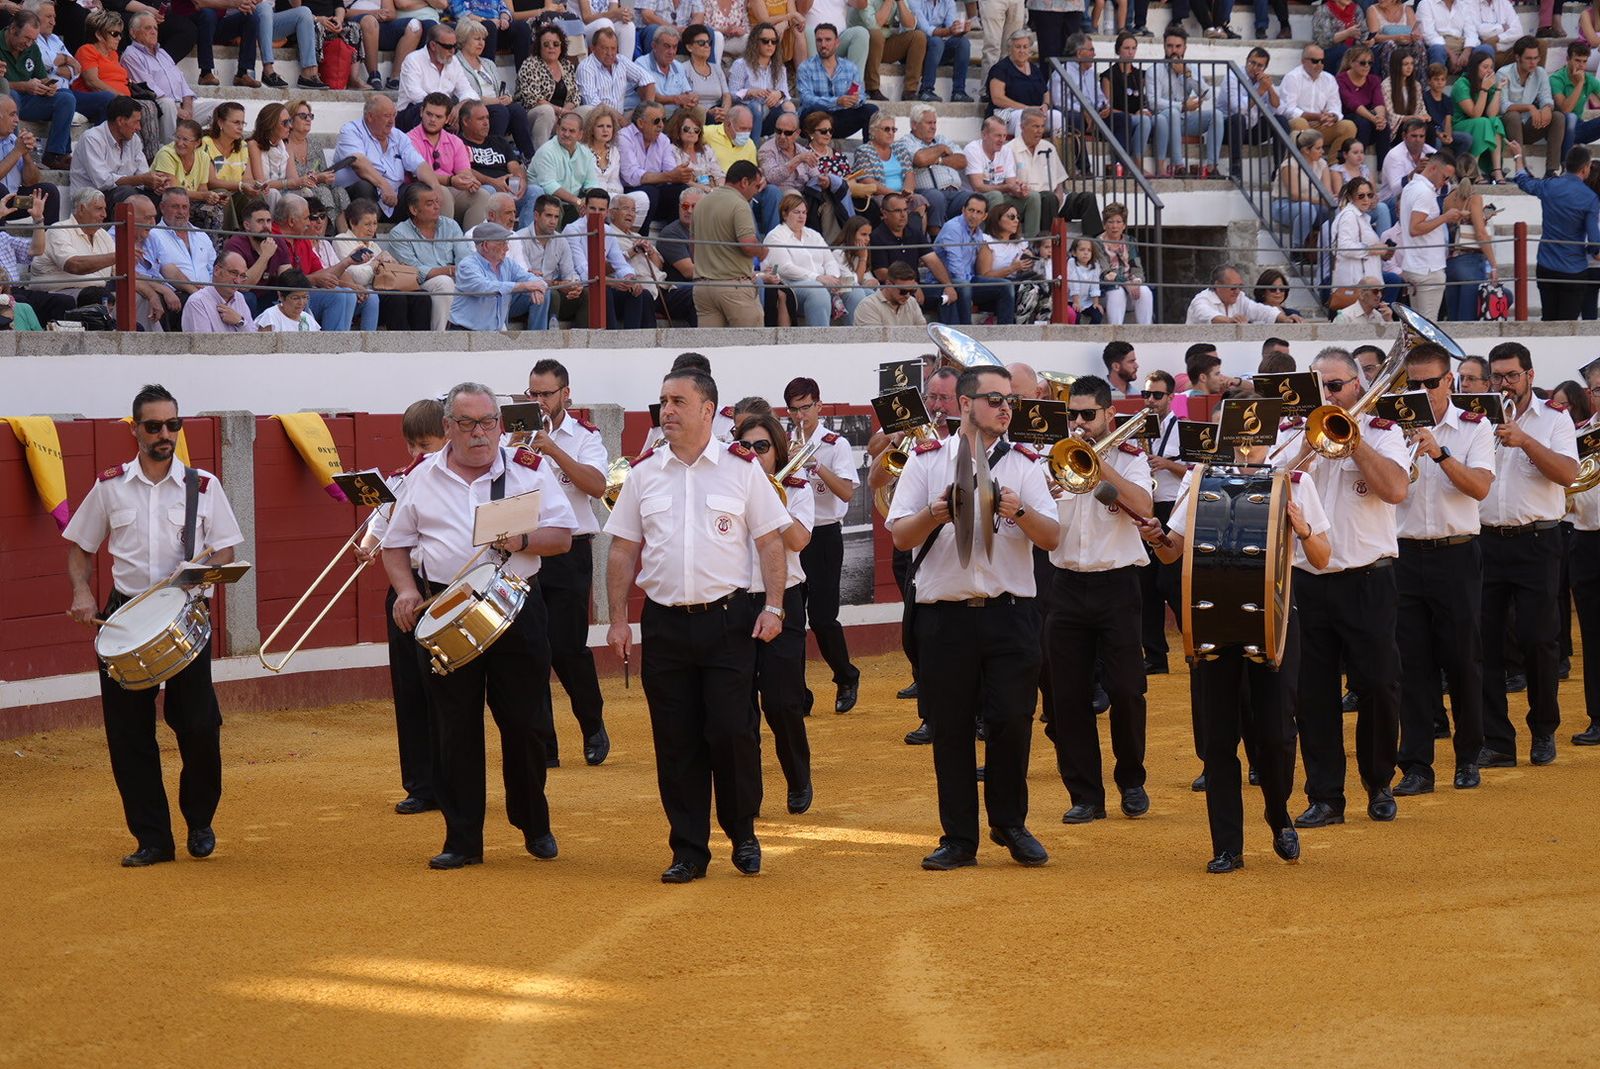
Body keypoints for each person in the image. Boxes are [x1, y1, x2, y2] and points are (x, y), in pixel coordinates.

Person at [604, 366, 791, 882]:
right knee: (675, 740)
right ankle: (688, 848)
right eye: (663, 400)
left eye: (678, 401)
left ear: (708, 410)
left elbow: (770, 541)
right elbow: (622, 550)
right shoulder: (643, 473)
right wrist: (618, 620)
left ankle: (743, 832)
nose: (667, 410)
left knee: (732, 733)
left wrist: (774, 606)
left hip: (729, 622)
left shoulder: (742, 468)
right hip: (664, 625)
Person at [381, 383, 577, 869]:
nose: (480, 433)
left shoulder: (528, 469)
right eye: (467, 424)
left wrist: (524, 537)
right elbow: (394, 545)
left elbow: (563, 537)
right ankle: (462, 837)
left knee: (527, 725)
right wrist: (406, 591)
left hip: (515, 605)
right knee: (453, 729)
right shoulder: (421, 477)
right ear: (447, 428)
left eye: (489, 422)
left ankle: (534, 822)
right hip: (445, 609)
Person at [886, 363, 1060, 870]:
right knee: (952, 728)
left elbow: (1052, 539)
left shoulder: (1025, 463)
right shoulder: (925, 462)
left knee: (1011, 720)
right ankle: (959, 837)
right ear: (965, 404)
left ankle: (1010, 823)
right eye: (995, 399)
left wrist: (1021, 511)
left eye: (1010, 400)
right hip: (947, 618)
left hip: (1010, 613)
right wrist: (935, 514)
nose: (1007, 408)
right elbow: (899, 537)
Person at [62, 384, 244, 867]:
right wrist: (82, 593)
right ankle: (153, 839)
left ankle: (200, 820)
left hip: (184, 611)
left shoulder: (203, 486)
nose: (165, 435)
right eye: (154, 426)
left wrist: (200, 572)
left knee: (200, 725)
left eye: (173, 425)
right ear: (135, 429)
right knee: (127, 733)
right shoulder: (109, 485)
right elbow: (81, 545)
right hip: (123, 614)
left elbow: (226, 549)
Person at [1138, 443, 1329, 872]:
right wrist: (1157, 539)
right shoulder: (1197, 479)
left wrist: (1302, 529)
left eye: (1255, 428)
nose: (1245, 439)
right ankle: (1227, 845)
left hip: (1274, 621)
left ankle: (1278, 816)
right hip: (1211, 618)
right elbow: (1174, 551)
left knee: (1278, 733)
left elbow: (1322, 556)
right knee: (1218, 739)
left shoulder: (1295, 481)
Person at [1279, 348, 1410, 830]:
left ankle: (1379, 782)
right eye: (1320, 388)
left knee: (1378, 684)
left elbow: (1396, 489)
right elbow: (1273, 487)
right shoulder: (1290, 433)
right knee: (1312, 694)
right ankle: (1326, 796)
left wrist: (1352, 440)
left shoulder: (1383, 433)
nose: (1328, 395)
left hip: (1367, 579)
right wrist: (1307, 447)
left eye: (1336, 386)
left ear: (1358, 386)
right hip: (1307, 581)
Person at [1046, 374, 1151, 825]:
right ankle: (1085, 793)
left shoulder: (1130, 457)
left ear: (1109, 413)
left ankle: (1131, 779)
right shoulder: (1054, 459)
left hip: (1117, 585)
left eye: (1089, 414)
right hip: (1066, 586)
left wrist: (1096, 461)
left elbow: (1145, 507)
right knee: (1067, 697)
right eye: (1074, 415)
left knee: (1127, 691)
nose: (1080, 423)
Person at [1392, 343, 1495, 796]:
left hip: (1456, 553)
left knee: (1463, 661)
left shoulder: (1475, 426)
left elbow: (1479, 488)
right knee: (1410, 664)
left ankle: (1468, 755)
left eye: (1430, 384)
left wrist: (1438, 452)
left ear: (1449, 381)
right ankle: (1416, 765)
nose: (1422, 392)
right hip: (1406, 554)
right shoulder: (1389, 428)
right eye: (1413, 385)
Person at [1477, 343, 1580, 769]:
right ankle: (1498, 740)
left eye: (1511, 376)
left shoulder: (1555, 420)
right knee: (1483, 644)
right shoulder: (1476, 420)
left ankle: (1543, 730)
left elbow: (1569, 474)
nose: (1504, 384)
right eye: (1497, 376)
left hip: (1538, 541)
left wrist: (1524, 441)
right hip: (1485, 541)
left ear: (1530, 376)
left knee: (1540, 640)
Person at [522, 359, 611, 765]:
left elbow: (597, 487)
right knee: (530, 650)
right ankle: (545, 743)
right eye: (533, 393)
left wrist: (553, 449)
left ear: (566, 394)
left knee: (568, 649)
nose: (538, 401)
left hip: (571, 549)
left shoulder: (585, 437)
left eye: (546, 394)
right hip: (525, 549)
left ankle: (592, 725)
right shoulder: (513, 435)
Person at [732, 411, 816, 812]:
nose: (752, 453)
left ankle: (798, 777)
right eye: (745, 445)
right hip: (736, 601)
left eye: (761, 447)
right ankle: (750, 795)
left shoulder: (795, 488)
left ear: (776, 451)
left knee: (782, 702)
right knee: (740, 705)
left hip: (785, 598)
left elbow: (798, 540)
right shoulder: (728, 487)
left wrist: (770, 498)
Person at [779, 377, 861, 715]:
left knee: (824, 618)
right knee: (794, 618)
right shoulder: (781, 442)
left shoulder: (834, 444)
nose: (801, 416)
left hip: (825, 535)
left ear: (819, 406)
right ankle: (799, 694)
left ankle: (845, 675)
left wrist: (813, 463)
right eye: (794, 409)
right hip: (792, 535)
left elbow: (846, 493)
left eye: (806, 408)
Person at [1509, 142, 1600, 320]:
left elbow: (1523, 181)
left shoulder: (1550, 185)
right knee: (1567, 326)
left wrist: (1518, 156)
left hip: (1546, 265)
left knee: (1548, 320)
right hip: (1573, 270)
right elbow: (1594, 244)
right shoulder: (1590, 198)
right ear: (1585, 168)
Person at [336, 95, 444, 222]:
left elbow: (419, 164)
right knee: (364, 186)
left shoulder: (398, 135)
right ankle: (367, 238)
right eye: (386, 116)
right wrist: (383, 185)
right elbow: (358, 162)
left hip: (393, 197)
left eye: (394, 115)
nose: (392, 121)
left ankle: (422, 238)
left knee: (419, 191)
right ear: (370, 117)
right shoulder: (351, 131)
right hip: (361, 197)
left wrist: (435, 186)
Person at [1138, 371, 1183, 675]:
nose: (1151, 401)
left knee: (1172, 583)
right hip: (1146, 507)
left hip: (1171, 507)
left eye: (1157, 396)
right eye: (1147, 395)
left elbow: (1198, 468)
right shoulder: (1139, 427)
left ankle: (1194, 644)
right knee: (1145, 585)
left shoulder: (1181, 428)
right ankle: (1155, 656)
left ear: (1170, 398)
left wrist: (1166, 464)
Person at [763, 192, 857, 326]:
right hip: (792, 284)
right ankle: (820, 341)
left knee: (854, 289)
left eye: (804, 212)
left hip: (823, 281)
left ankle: (857, 342)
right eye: (796, 212)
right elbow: (784, 268)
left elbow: (829, 260)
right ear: (784, 214)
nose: (802, 216)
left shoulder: (814, 234)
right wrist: (818, 277)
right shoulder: (775, 236)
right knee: (817, 291)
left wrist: (833, 277)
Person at [2, 10, 80, 170]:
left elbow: (41, 76)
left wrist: (48, 86)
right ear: (12, 30)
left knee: (66, 97)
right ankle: (15, 151)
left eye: (33, 40)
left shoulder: (32, 48)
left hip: (30, 100)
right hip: (7, 102)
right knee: (12, 96)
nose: (29, 44)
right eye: (26, 38)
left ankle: (55, 154)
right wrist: (25, 85)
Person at [387, 184, 471, 332]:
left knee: (488, 283)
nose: (436, 207)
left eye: (437, 202)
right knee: (444, 282)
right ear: (414, 210)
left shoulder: (450, 225)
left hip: (455, 278)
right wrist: (448, 271)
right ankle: (439, 337)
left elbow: (464, 258)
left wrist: (458, 272)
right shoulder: (399, 234)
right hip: (420, 285)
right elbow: (414, 271)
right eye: (429, 204)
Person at [692, 159, 766, 326]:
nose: (756, 192)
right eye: (756, 186)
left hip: (703, 288)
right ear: (744, 182)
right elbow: (747, 244)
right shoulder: (740, 204)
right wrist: (762, 251)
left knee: (709, 350)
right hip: (734, 288)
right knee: (752, 346)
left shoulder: (702, 202)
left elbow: (693, 246)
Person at [1569, 359, 1600, 746]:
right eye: (1598, 389)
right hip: (1587, 540)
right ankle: (1598, 716)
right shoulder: (1578, 436)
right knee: (1592, 635)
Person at [455, 16, 536, 159]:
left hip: (497, 103)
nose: (481, 43)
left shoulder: (488, 63)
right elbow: (468, 96)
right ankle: (494, 155)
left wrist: (507, 97)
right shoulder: (456, 63)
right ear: (463, 40)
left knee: (516, 109)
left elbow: (501, 89)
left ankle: (529, 157)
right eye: (476, 39)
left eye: (483, 39)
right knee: (500, 111)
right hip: (473, 106)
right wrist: (497, 101)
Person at [1150, 27, 1223, 178]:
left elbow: (1207, 94)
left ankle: (1211, 167)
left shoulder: (1191, 69)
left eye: (1178, 46)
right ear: (1164, 46)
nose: (1174, 50)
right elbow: (1153, 102)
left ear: (1185, 48)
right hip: (1163, 120)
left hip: (1185, 121)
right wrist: (1182, 106)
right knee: (1174, 112)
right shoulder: (1154, 70)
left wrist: (1187, 73)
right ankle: (1178, 165)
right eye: (1170, 46)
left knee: (1216, 115)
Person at [449, 222, 550, 330]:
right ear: (485, 246)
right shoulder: (467, 265)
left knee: (546, 292)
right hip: (463, 333)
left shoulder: (508, 264)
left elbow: (533, 279)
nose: (507, 248)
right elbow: (485, 287)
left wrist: (537, 288)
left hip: (493, 333)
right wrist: (524, 286)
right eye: (502, 243)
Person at [1396, 149, 1459, 318]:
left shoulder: (1411, 187)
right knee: (1428, 329)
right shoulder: (1424, 192)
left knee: (1418, 328)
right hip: (1427, 269)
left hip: (1417, 266)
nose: (1445, 182)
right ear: (1433, 169)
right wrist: (1445, 217)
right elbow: (1415, 228)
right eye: (1444, 177)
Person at [796, 23, 878, 141]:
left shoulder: (850, 68)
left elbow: (861, 95)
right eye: (819, 40)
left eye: (828, 40)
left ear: (837, 42)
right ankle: (814, 151)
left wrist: (854, 100)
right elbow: (806, 99)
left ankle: (867, 153)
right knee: (811, 111)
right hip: (815, 120)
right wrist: (837, 101)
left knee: (871, 110)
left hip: (841, 119)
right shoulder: (805, 67)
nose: (823, 44)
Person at [1498, 36, 1566, 176]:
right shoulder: (1503, 73)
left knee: (1558, 117)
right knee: (1513, 115)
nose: (1533, 62)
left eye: (1536, 58)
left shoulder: (1540, 72)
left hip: (1529, 126)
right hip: (1508, 128)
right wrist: (1529, 107)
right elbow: (1503, 106)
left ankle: (1551, 170)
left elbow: (1546, 97)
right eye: (1529, 58)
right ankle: (1521, 168)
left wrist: (1547, 108)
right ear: (1518, 57)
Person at [396, 23, 477, 130]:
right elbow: (415, 95)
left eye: (455, 46)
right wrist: (446, 110)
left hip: (444, 111)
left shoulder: (454, 61)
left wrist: (459, 106)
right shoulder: (413, 60)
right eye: (448, 47)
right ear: (433, 45)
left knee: (482, 112)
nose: (452, 51)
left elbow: (468, 91)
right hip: (412, 112)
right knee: (426, 112)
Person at [1281, 44, 1358, 158]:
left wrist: (1333, 117)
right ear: (1303, 61)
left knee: (1349, 126)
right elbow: (1288, 110)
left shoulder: (1329, 79)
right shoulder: (1292, 77)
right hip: (1300, 125)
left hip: (1322, 125)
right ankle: (1308, 162)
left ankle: (1333, 164)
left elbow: (1336, 107)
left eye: (1322, 61)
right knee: (1299, 122)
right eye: (1315, 61)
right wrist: (1315, 116)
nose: (1320, 65)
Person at [516, 22, 582, 154]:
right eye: (546, 44)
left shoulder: (566, 65)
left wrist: (565, 112)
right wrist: (560, 111)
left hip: (562, 114)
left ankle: (578, 158)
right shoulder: (531, 64)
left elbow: (575, 96)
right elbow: (534, 99)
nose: (551, 48)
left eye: (556, 44)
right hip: (534, 115)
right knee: (547, 111)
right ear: (539, 47)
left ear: (561, 46)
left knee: (588, 111)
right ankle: (539, 158)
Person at [730, 22, 796, 135]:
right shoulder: (741, 64)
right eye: (765, 41)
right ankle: (754, 148)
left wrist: (779, 94)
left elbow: (786, 95)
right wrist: (749, 92)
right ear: (755, 42)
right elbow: (732, 94)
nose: (770, 45)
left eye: (774, 41)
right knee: (756, 107)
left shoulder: (780, 67)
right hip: (748, 112)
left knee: (789, 106)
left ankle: (785, 146)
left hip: (770, 112)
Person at [855, 0, 926, 105]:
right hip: (864, 46)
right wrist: (888, 1)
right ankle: (872, 89)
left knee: (918, 36)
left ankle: (910, 91)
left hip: (884, 44)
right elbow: (874, 25)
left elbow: (910, 25)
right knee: (876, 35)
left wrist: (900, 1)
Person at [533, 111, 600, 220]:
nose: (566, 134)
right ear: (557, 129)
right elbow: (549, 186)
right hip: (547, 200)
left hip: (573, 201)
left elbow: (592, 183)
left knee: (597, 206)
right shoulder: (546, 151)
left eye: (572, 131)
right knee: (555, 203)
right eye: (563, 129)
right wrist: (578, 201)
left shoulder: (585, 153)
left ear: (580, 135)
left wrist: (588, 202)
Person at [574, 27, 655, 113]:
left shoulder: (621, 60)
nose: (610, 53)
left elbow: (648, 79)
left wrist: (648, 111)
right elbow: (592, 103)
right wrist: (619, 119)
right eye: (605, 48)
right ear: (593, 49)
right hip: (597, 120)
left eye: (613, 48)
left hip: (620, 118)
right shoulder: (586, 67)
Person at [1451, 52, 1506, 179]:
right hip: (1460, 125)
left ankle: (1496, 170)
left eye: (1491, 67)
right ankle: (1474, 170)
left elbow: (1492, 114)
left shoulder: (1487, 83)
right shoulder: (1462, 84)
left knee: (1495, 121)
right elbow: (1475, 114)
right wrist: (1484, 90)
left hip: (1480, 124)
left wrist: (1498, 89)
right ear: (1475, 67)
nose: (1489, 70)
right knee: (1482, 122)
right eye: (1485, 67)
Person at [1186, 263, 1299, 323]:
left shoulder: (1240, 297)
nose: (1237, 292)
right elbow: (1207, 315)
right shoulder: (1201, 300)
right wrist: (1231, 321)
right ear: (1218, 285)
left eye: (1240, 287)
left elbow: (1259, 310)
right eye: (1233, 288)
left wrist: (1285, 319)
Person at [180, 250, 255, 332]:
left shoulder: (239, 298)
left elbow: (256, 340)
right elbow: (202, 343)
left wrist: (240, 322)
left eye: (242, 276)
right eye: (233, 273)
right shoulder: (197, 302)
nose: (237, 281)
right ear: (217, 270)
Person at [910, 0, 970, 103]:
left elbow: (951, 29)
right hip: (915, 51)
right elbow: (926, 29)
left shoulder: (948, 2)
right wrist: (950, 30)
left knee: (963, 42)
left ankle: (958, 92)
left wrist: (961, 30)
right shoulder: (914, 1)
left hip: (936, 51)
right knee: (936, 41)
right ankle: (926, 89)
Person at [854, 259, 927, 324]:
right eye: (903, 291)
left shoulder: (912, 302)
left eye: (912, 291)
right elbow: (875, 338)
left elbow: (923, 332)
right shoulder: (868, 306)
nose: (907, 295)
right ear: (889, 284)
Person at [251, 268, 319, 332]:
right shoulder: (270, 317)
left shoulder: (308, 319)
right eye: (295, 298)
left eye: (305, 297)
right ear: (281, 296)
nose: (301, 303)